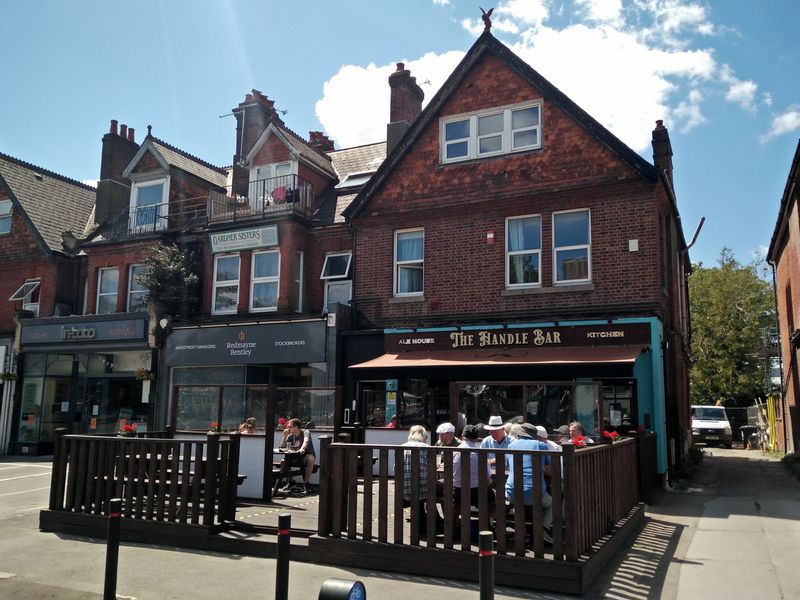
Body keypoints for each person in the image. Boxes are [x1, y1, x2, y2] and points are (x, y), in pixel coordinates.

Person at [505, 422, 553, 544]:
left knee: (518, 502)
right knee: (552, 503)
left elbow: (508, 466)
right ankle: (543, 529)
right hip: (535, 493)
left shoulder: (511, 445)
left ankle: (520, 532)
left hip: (511, 492)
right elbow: (549, 469)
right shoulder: (541, 445)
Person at [402, 425, 441, 535]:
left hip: (405, 489)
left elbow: (396, 469)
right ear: (423, 436)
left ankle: (425, 523)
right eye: (426, 437)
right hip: (425, 489)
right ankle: (441, 522)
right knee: (445, 487)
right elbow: (432, 468)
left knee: (418, 493)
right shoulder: (427, 447)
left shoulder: (402, 447)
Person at [453, 424, 493, 509]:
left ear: (462, 436)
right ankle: (489, 520)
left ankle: (454, 518)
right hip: (476, 493)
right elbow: (488, 476)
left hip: (457, 492)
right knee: (495, 495)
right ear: (476, 438)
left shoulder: (453, 452)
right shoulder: (479, 454)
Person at [278, 418, 316, 494]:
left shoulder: (305, 432)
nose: (288, 428)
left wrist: (302, 448)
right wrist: (284, 436)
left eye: (290, 427)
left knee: (311, 459)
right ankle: (291, 481)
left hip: (305, 454)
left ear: (296, 427)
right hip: (294, 456)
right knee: (283, 462)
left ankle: (306, 484)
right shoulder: (290, 436)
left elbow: (306, 441)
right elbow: (282, 447)